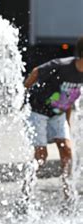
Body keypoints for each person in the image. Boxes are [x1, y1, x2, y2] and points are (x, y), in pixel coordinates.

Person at [24, 36, 83, 199]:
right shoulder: (63, 65)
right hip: (39, 111)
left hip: (58, 114)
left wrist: (68, 123)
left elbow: (70, 98)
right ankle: (27, 190)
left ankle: (67, 192)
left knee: (67, 150)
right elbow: (36, 71)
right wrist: (22, 93)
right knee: (42, 155)